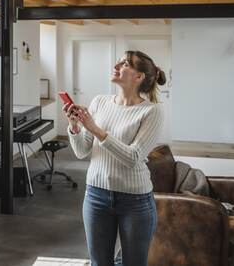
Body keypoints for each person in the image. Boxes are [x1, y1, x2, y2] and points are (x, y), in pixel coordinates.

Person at [64, 50, 166, 266]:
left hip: (135, 201)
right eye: (119, 61)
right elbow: (82, 151)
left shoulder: (151, 112)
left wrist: (95, 129)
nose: (117, 65)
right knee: (99, 263)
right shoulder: (99, 102)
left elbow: (134, 157)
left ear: (139, 77)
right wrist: (74, 126)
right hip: (95, 196)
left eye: (125, 63)